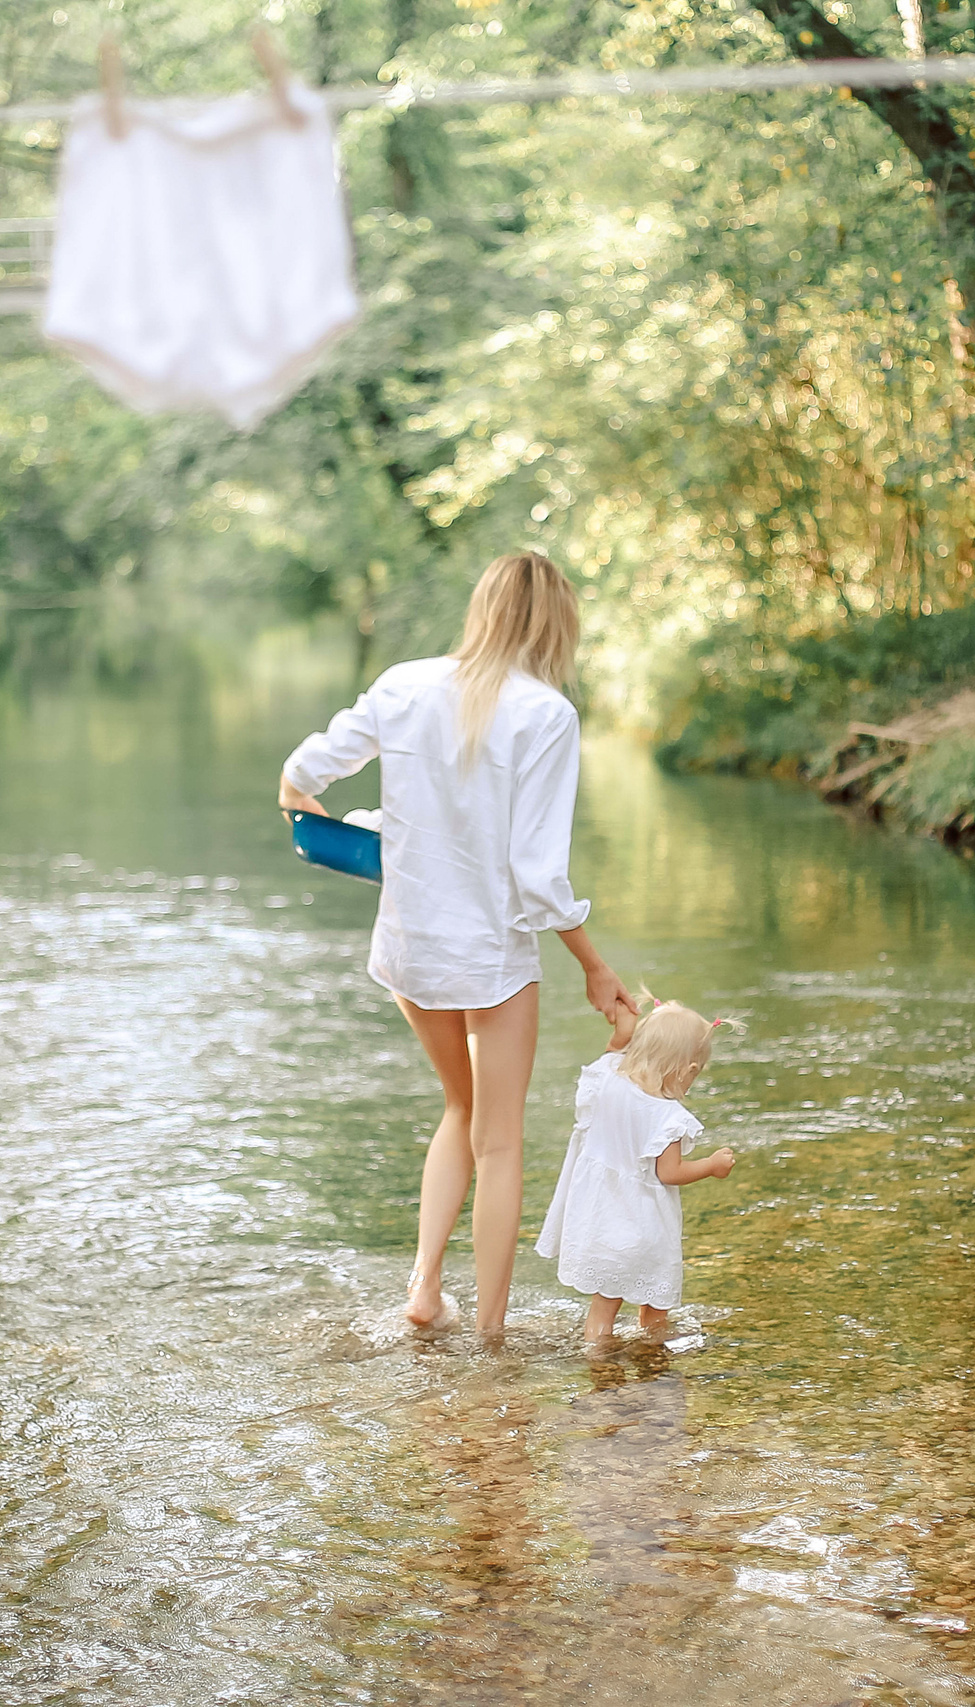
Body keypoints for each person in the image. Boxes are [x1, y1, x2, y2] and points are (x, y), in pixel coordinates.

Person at [279, 550, 631, 1339]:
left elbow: (302, 773)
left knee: (458, 1107)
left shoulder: (402, 684)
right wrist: (594, 965)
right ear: (554, 623)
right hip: (492, 958)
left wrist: (324, 823)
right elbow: (537, 878)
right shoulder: (546, 714)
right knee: (498, 1142)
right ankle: (491, 1336)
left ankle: (426, 1289)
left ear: (480, 608)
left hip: (410, 945)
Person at [535, 995, 737, 1347]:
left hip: (598, 1221)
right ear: (688, 1071)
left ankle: (598, 1363)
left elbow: (614, 1048)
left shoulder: (605, 1080)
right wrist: (711, 1166)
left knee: (603, 1309)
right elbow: (669, 1173)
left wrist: (623, 1029)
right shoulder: (668, 1116)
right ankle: (652, 1359)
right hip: (645, 1228)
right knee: (655, 1304)